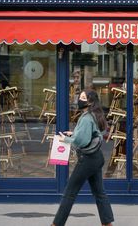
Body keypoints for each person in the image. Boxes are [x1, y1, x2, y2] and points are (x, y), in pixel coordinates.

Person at [51, 89, 114, 226]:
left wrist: (66, 140)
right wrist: (73, 134)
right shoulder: (94, 115)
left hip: (87, 160)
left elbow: (82, 141)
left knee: (69, 193)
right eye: (80, 97)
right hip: (97, 158)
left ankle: (56, 224)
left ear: (90, 101)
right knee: (99, 193)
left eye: (83, 97)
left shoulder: (86, 118)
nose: (79, 99)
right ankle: (107, 224)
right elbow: (90, 134)